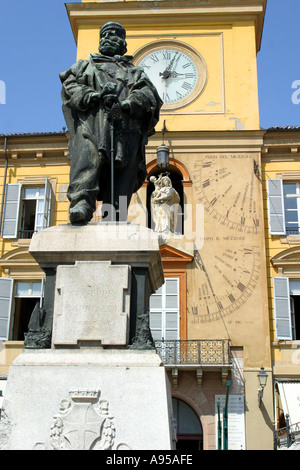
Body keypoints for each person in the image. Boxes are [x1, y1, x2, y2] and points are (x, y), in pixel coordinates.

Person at [60, 22, 163, 223]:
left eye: (115, 35)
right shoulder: (84, 67)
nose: (108, 38)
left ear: (123, 44)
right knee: (87, 161)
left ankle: (115, 211)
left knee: (125, 168)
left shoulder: (135, 73)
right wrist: (93, 96)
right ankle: (81, 202)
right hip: (93, 122)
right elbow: (70, 86)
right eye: (105, 35)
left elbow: (149, 95)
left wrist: (128, 103)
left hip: (125, 126)